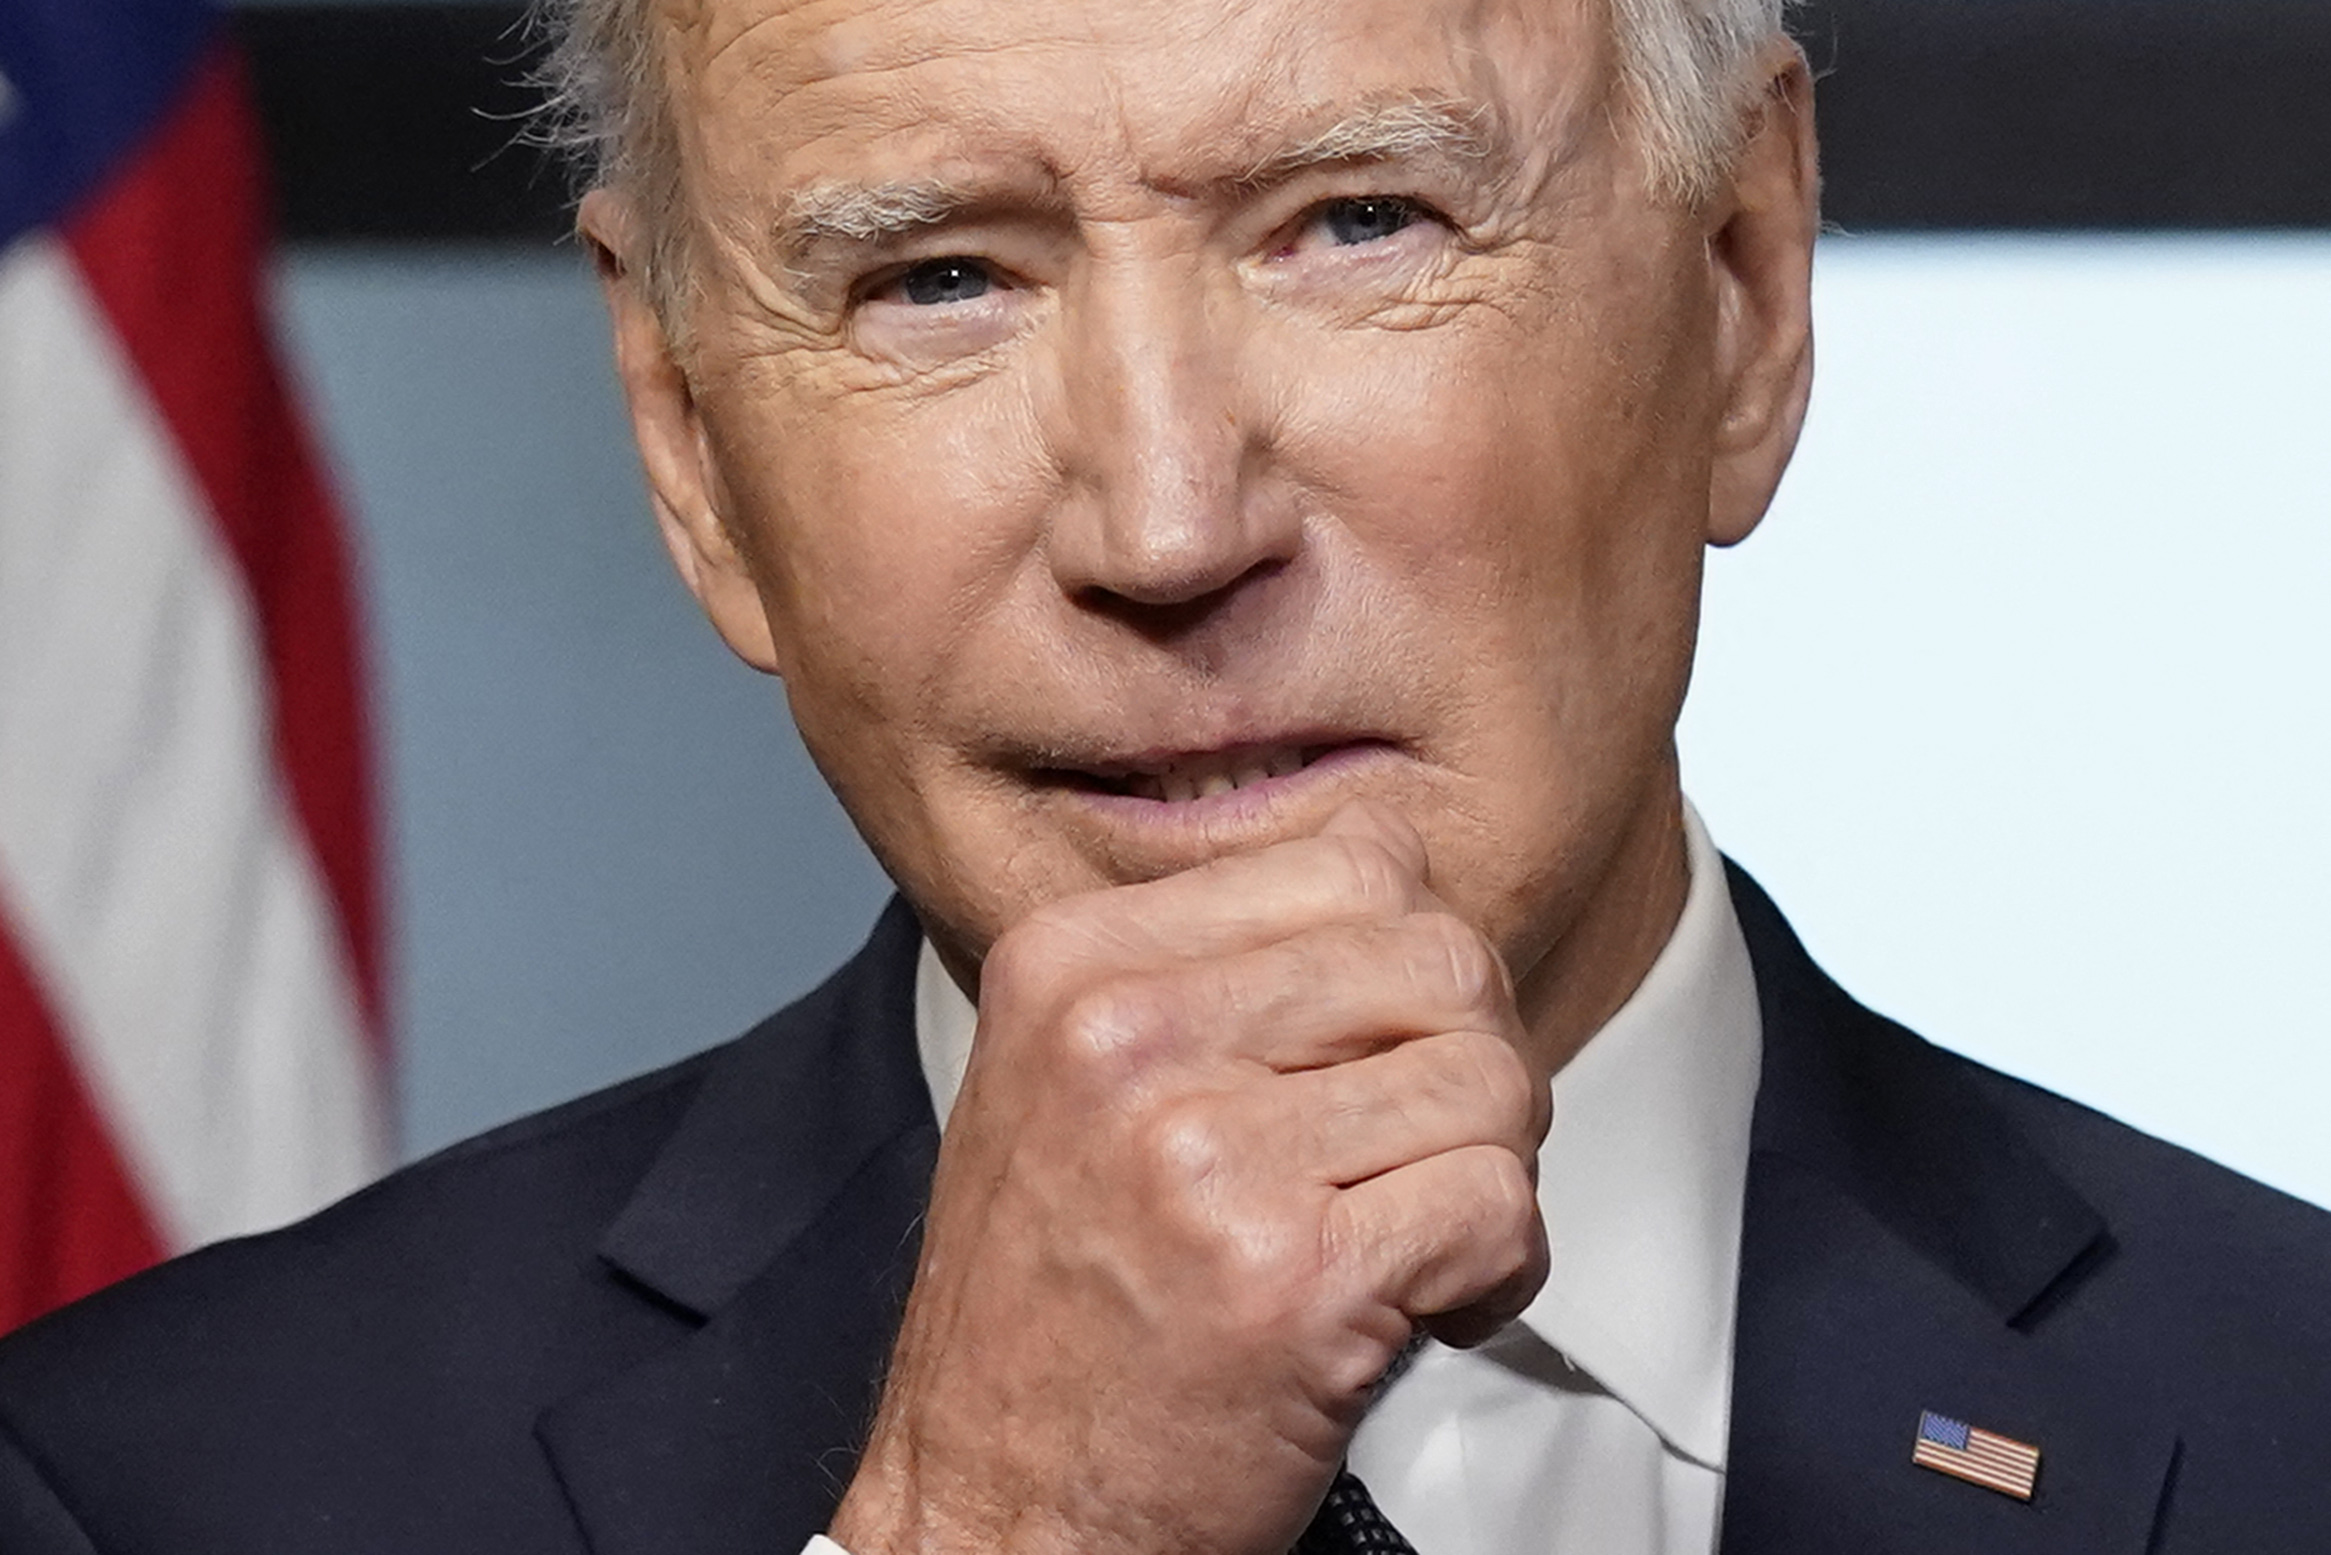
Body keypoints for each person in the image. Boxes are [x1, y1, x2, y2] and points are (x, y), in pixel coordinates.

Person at [4, 0, 2329, 1550]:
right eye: (936, 278)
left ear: (1738, 289)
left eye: (1352, 223)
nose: (1160, 520)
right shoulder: (151, 1484)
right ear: (689, 442)